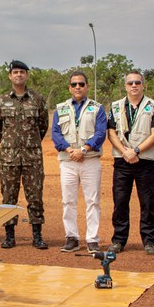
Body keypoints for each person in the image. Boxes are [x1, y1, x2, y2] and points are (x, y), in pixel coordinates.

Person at [0, 60, 49, 249]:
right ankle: (9, 236)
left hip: (32, 157)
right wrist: (12, 145)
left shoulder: (37, 99)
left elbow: (43, 126)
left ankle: (37, 235)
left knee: (35, 196)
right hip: (9, 158)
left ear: (27, 75)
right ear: (10, 75)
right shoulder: (1, 100)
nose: (19, 75)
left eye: (22, 72)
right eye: (15, 72)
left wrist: (29, 144)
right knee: (8, 196)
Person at [51, 70, 107, 253]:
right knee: (68, 201)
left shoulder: (97, 108)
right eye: (74, 84)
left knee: (93, 201)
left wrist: (83, 150)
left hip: (89, 160)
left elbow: (100, 133)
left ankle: (92, 239)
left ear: (87, 87)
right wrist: (69, 150)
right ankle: (72, 237)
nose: (77, 87)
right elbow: (55, 134)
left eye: (81, 84)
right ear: (69, 87)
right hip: (68, 161)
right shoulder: (61, 108)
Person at [107, 70, 154, 254]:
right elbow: (111, 133)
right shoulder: (116, 107)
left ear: (143, 85)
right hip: (122, 160)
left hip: (144, 160)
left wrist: (136, 151)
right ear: (125, 86)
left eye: (137, 82)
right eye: (130, 83)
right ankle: (119, 240)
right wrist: (125, 152)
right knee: (120, 201)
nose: (134, 86)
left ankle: (149, 241)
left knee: (147, 201)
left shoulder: (153, 106)